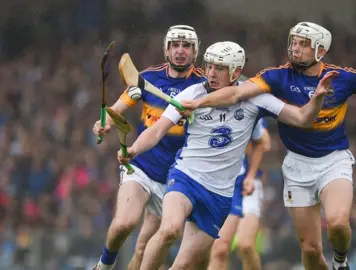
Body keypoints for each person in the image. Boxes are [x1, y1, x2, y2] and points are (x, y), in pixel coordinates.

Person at [178, 22, 356, 270]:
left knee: (338, 221)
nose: (295, 47)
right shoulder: (276, 77)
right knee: (309, 250)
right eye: (294, 41)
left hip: (334, 160)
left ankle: (340, 261)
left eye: (303, 43)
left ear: (320, 49)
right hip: (297, 166)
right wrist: (199, 102)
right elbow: (236, 92)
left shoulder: (342, 77)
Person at [117, 41, 337, 270]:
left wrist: (318, 97)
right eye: (209, 66)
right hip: (185, 177)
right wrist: (133, 150)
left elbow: (302, 118)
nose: (211, 73)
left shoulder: (255, 98)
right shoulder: (191, 93)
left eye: (219, 68)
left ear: (236, 71)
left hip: (220, 194)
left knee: (182, 265)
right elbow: (156, 131)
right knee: (170, 229)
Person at [92, 25, 204, 270]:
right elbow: (117, 109)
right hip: (141, 168)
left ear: (195, 51)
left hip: (178, 180)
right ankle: (103, 266)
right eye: (175, 45)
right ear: (166, 49)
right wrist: (104, 123)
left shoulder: (204, 86)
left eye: (186, 46)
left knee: (144, 251)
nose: (180, 51)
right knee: (124, 223)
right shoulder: (147, 78)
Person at [206, 117, 270, 270]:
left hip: (249, 184)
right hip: (223, 185)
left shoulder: (251, 108)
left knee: (245, 245)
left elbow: (265, 143)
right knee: (220, 249)